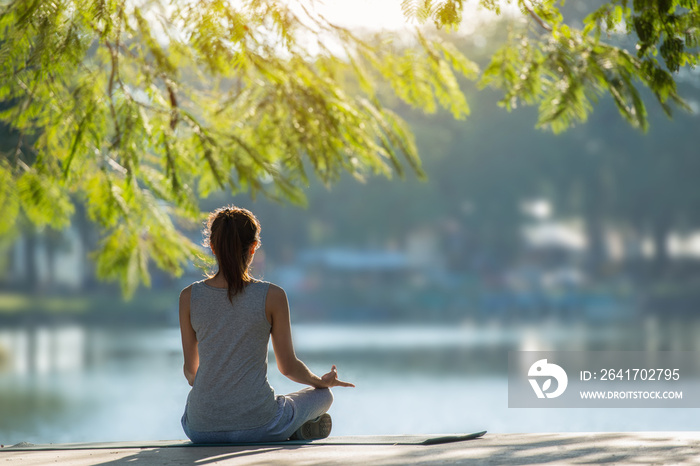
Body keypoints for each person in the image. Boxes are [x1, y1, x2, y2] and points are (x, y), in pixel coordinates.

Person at [179, 205, 354, 443]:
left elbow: (191, 371)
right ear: (254, 248)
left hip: (200, 430)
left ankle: (290, 429)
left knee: (196, 406)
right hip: (260, 425)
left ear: (212, 247)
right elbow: (288, 368)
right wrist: (321, 383)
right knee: (324, 397)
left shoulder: (189, 297)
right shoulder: (272, 296)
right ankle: (293, 429)